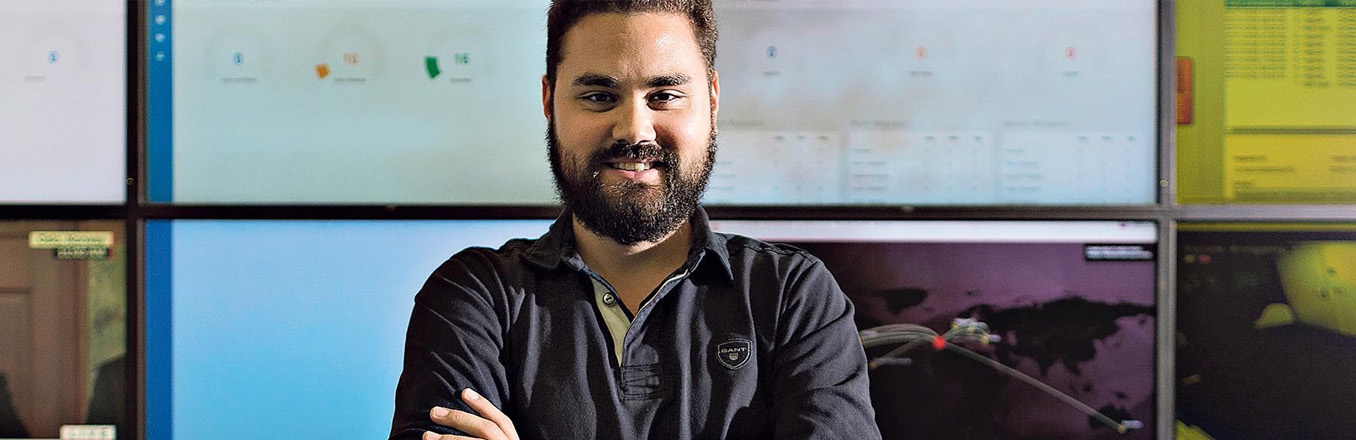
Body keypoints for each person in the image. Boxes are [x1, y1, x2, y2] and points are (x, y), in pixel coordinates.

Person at [389, 1, 880, 439]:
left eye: (664, 95)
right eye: (599, 96)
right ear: (549, 101)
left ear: (711, 100)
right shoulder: (476, 298)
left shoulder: (793, 296)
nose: (634, 130)